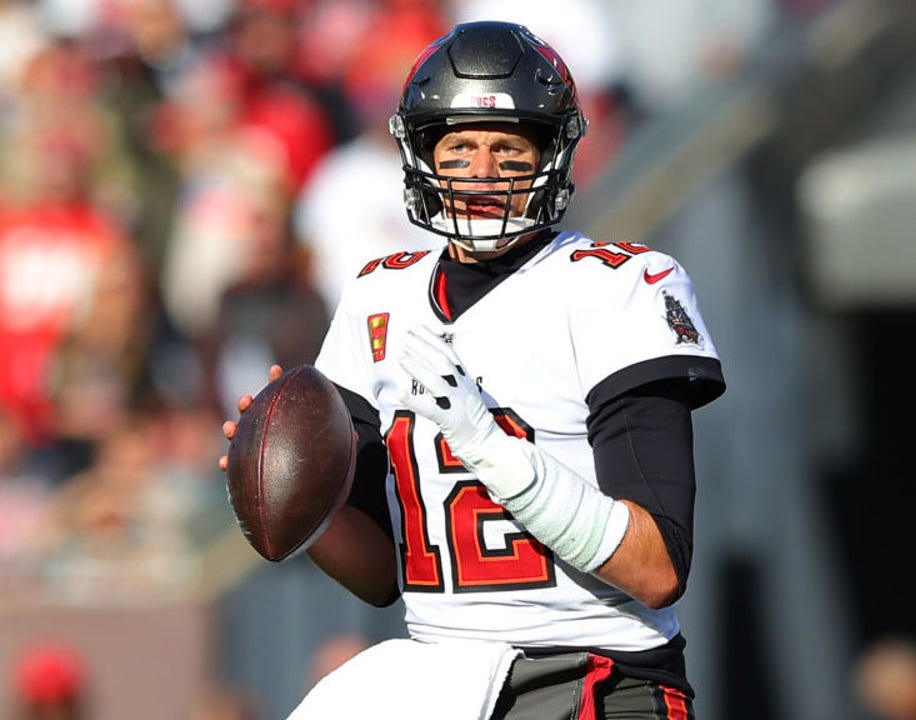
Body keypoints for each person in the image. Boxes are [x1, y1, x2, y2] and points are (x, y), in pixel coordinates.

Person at [219, 21, 725, 719]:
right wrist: (293, 505)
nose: (482, 173)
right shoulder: (379, 295)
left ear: (552, 152)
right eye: (458, 147)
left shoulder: (620, 285)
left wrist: (489, 447)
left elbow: (657, 568)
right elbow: (380, 576)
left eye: (508, 147)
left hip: (599, 671)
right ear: (422, 153)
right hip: (446, 674)